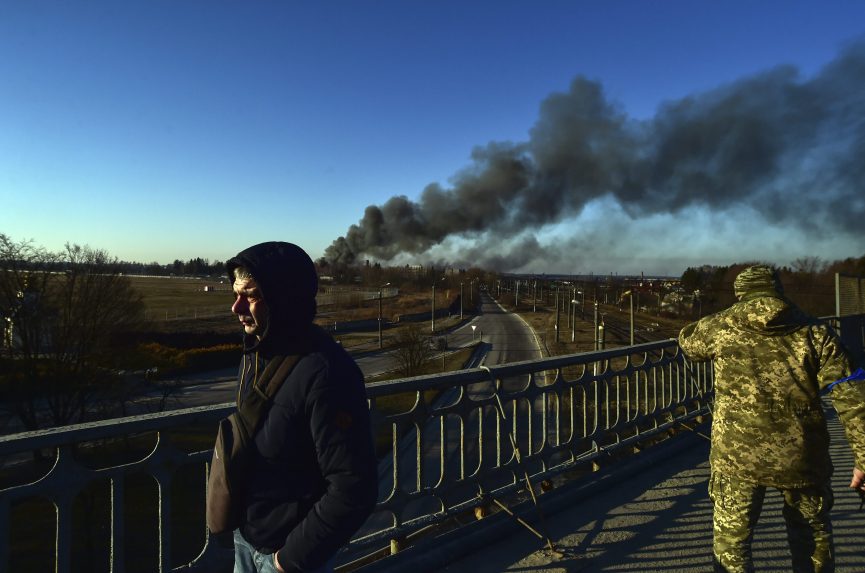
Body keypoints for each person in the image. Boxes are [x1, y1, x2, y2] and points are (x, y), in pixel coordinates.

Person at [678, 264, 865, 573]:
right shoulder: (816, 332)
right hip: (802, 456)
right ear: (778, 290)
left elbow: (688, 341)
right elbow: (852, 397)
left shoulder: (722, 327)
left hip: (737, 458)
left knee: (732, 547)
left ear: (740, 294)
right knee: (812, 540)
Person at [226, 241, 378, 573]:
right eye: (236, 294)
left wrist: (289, 560)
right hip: (247, 539)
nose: (236, 307)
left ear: (285, 300)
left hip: (284, 555)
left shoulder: (327, 372)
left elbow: (355, 486)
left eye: (250, 296)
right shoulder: (257, 353)